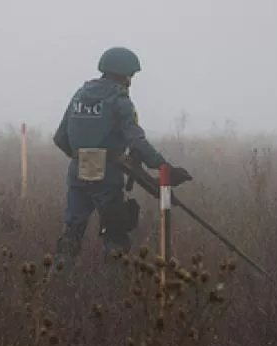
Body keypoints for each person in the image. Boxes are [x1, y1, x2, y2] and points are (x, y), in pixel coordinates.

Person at [52, 46, 192, 269]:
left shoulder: (80, 95)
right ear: (125, 75)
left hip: (77, 175)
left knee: (71, 234)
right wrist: (164, 167)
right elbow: (137, 140)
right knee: (115, 236)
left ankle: (57, 283)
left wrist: (83, 156)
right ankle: (114, 291)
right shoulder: (119, 99)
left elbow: (60, 137)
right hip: (107, 178)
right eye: (131, 76)